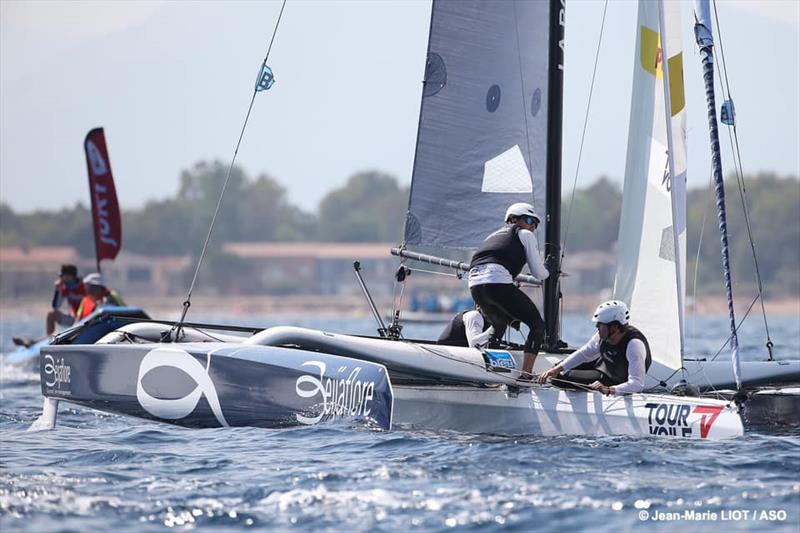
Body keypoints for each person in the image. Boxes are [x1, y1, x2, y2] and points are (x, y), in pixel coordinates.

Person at [468, 202, 550, 380]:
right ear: (513, 220)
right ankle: (526, 375)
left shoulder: (492, 236)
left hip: (474, 285)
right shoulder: (524, 234)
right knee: (537, 326)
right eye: (529, 220)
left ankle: (478, 349)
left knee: (500, 324)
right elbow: (539, 273)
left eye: (536, 224)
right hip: (496, 283)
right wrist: (550, 269)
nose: (533, 227)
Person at [537, 300, 652, 395]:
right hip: (602, 365)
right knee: (557, 370)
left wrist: (610, 390)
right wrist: (555, 369)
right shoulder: (602, 335)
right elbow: (584, 353)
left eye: (600, 324)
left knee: (561, 379)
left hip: (611, 380)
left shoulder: (634, 345)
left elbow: (637, 384)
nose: (596, 326)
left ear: (614, 327)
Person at [12, 264, 86, 347]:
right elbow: (56, 306)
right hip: (74, 319)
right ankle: (48, 341)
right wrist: (57, 290)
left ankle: (32, 342)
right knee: (51, 314)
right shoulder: (65, 288)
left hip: (86, 318)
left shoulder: (84, 286)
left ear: (70, 276)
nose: (60, 278)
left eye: (62, 275)